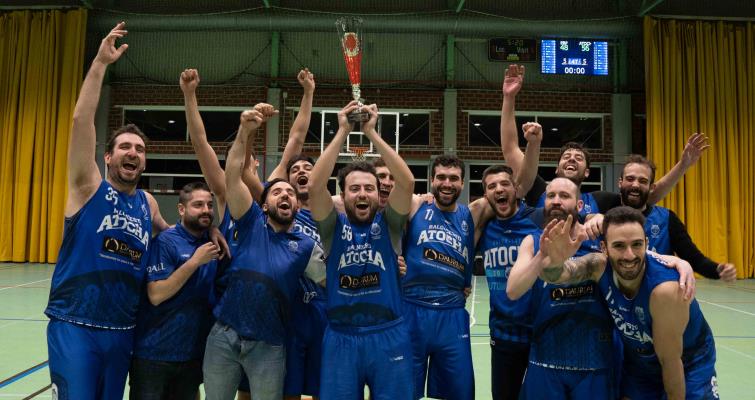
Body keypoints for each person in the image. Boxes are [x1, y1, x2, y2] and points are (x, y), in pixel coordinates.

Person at [43, 22, 171, 400]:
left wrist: (211, 232)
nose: (133, 152)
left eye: (140, 149)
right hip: (74, 325)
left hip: (121, 330)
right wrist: (100, 64)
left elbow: (175, 235)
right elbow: (81, 122)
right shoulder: (88, 186)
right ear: (108, 156)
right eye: (125, 147)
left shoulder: (147, 204)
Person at [202, 105, 326, 400]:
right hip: (224, 335)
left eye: (291, 194)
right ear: (264, 204)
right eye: (277, 191)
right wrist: (245, 131)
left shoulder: (306, 246)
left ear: (297, 207)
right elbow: (233, 175)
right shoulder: (249, 222)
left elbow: (331, 281)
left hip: (270, 344)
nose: (285, 194)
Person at [536, 206, 717, 399]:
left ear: (647, 244)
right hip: (640, 361)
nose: (629, 255)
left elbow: (671, 362)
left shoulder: (665, 291)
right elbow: (556, 275)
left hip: (688, 362)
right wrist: (553, 262)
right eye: (619, 246)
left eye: (637, 244)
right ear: (604, 248)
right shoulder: (598, 266)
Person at [308, 101, 414, 399]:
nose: (363, 193)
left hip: (388, 333)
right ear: (343, 195)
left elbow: (406, 182)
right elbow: (315, 187)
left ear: (379, 194)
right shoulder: (332, 228)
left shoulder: (390, 224)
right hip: (341, 337)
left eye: (370, 188)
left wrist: (371, 133)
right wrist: (343, 131)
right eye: (355, 189)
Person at [499, 64, 703, 217]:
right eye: (566, 156)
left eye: (578, 158)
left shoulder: (600, 201)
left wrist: (684, 165)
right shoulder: (539, 190)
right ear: (556, 167)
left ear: (587, 172)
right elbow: (510, 149)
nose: (571, 159)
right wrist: (509, 98)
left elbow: (648, 194)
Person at [506, 177, 613, 399]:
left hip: (594, 361)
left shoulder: (600, 237)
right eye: (551, 196)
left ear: (580, 205)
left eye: (564, 196)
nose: (556, 201)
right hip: (545, 359)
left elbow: (637, 257)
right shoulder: (532, 241)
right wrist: (544, 256)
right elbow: (513, 290)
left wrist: (679, 261)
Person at [129, 182, 220, 399]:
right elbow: (156, 294)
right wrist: (194, 262)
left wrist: (214, 231)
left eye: (209, 205)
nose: (206, 210)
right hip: (154, 355)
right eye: (198, 205)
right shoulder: (165, 242)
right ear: (181, 209)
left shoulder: (212, 241)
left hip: (191, 356)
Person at [585, 154, 737, 282]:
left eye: (643, 181)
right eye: (630, 179)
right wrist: (589, 218)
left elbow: (694, 259)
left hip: (657, 296)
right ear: (620, 182)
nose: (635, 185)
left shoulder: (667, 218)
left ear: (652, 187)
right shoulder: (601, 204)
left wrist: (718, 270)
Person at [402, 155, 475, 400]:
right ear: (432, 180)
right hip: (412, 308)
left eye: (454, 178)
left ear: (463, 184)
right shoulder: (415, 205)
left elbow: (516, 185)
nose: (447, 183)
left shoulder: (470, 215)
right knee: (402, 391)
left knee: (461, 392)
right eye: (441, 177)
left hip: (452, 312)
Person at [476, 165, 541, 400]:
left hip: (539, 333)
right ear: (486, 195)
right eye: (491, 186)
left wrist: (597, 216)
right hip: (503, 334)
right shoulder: (485, 228)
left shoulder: (537, 220)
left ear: (516, 189)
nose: (499, 189)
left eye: (504, 184)